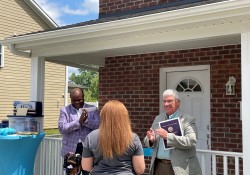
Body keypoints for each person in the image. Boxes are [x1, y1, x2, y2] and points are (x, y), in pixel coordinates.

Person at [144, 89, 202, 175]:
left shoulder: (187, 119)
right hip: (159, 166)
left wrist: (168, 137)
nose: (166, 104)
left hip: (179, 168)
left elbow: (191, 141)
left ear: (178, 102)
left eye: (169, 101)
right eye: (164, 101)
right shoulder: (158, 118)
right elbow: (147, 140)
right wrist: (151, 140)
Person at [81, 100, 145, 175]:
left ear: (103, 115)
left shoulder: (91, 137)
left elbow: (86, 167)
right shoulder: (133, 138)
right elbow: (140, 170)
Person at [58, 87, 100, 158]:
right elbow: (62, 128)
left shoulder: (92, 109)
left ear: (83, 97)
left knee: (87, 169)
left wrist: (86, 121)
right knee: (70, 169)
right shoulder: (65, 110)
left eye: (79, 100)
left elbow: (99, 126)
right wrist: (78, 122)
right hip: (70, 149)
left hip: (88, 147)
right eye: (73, 100)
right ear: (70, 98)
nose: (76, 102)